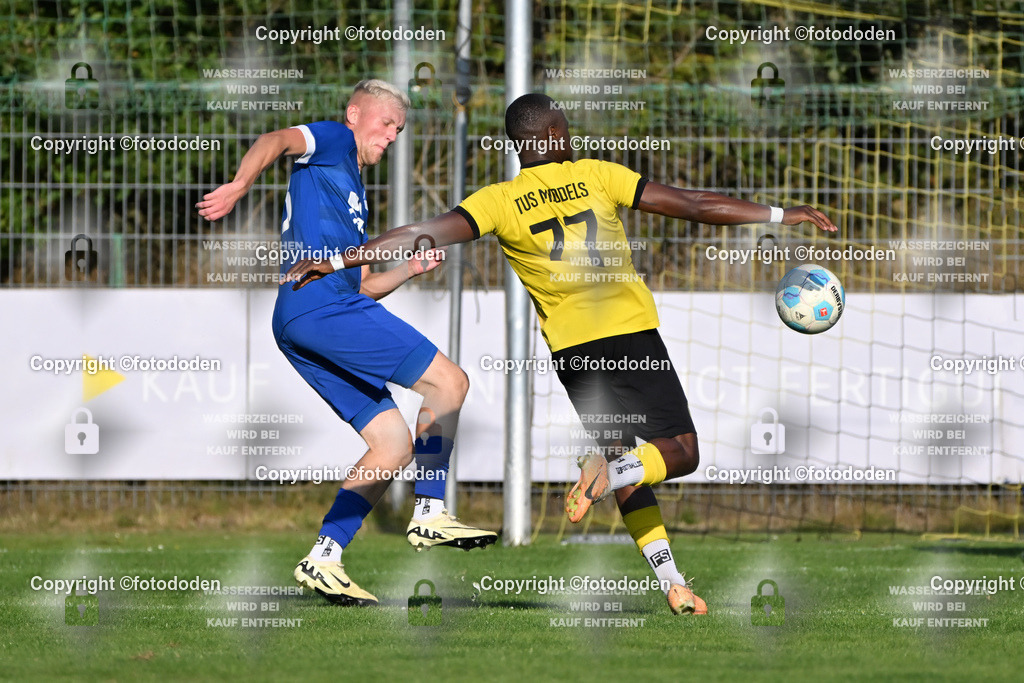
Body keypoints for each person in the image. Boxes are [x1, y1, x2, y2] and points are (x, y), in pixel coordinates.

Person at [284, 92, 838, 615]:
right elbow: (693, 204)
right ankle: (611, 472)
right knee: (681, 451)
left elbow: (421, 232)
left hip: (573, 352)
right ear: (553, 134)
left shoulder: (498, 201)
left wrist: (339, 261)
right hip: (628, 336)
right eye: (566, 131)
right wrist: (778, 214)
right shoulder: (597, 174)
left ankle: (672, 582)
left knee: (624, 463)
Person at [197, 79, 496, 607]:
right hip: (320, 309)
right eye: (386, 124)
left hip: (303, 315)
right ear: (356, 113)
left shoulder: (349, 186)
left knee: (393, 446)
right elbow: (275, 140)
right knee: (450, 383)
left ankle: (325, 556)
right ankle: (429, 512)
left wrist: (407, 268)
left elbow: (362, 285)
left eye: (399, 130)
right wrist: (241, 185)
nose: (391, 136)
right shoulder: (334, 140)